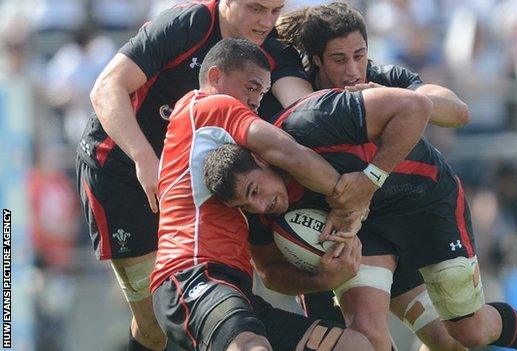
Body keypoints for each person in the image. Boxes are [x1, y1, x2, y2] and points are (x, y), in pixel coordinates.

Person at [75, 1, 315, 349]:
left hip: (193, 181)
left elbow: (305, 110)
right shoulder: (188, 24)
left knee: (195, 311)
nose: (266, 21)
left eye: (276, 10)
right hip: (122, 171)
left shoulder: (272, 51)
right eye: (256, 8)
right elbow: (106, 88)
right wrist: (145, 159)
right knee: (155, 325)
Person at [152, 37, 398, 351]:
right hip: (194, 273)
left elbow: (269, 271)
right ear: (215, 78)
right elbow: (290, 152)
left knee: (353, 346)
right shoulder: (207, 106)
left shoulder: (224, 152)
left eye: (262, 92)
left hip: (234, 287)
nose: (255, 101)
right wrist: (351, 200)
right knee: (252, 347)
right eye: (251, 87)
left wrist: (324, 280)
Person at [266, 2, 469, 350]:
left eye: (359, 55)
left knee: (451, 342)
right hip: (330, 237)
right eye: (340, 59)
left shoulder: (383, 80)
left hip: (394, 222)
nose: (353, 70)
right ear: (316, 60)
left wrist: (393, 102)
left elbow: (457, 111)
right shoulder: (298, 101)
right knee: (366, 340)